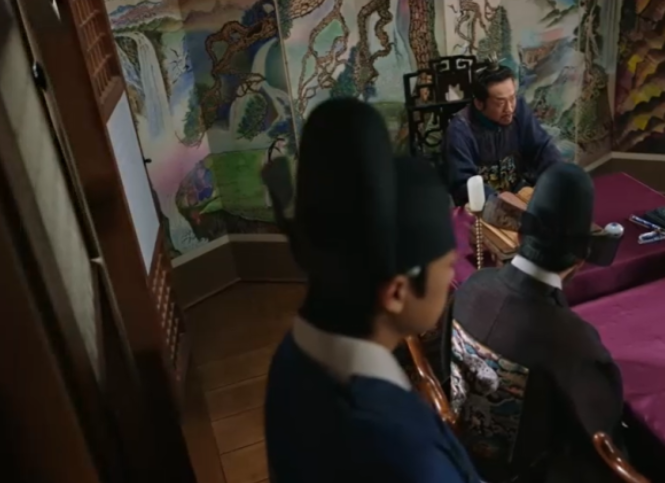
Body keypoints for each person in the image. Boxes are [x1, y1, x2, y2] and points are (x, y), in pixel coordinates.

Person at [262, 98, 480, 483]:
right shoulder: (403, 452)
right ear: (396, 292)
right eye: (447, 267)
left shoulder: (294, 354)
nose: (450, 279)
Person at [443, 163, 625, 483]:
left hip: (457, 455)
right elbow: (600, 440)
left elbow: (445, 367)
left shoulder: (471, 287)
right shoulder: (575, 345)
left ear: (519, 234)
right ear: (581, 259)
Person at [445, 64, 564, 207]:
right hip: (483, 207)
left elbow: (543, 148)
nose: (509, 109)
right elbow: (463, 183)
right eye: (500, 103)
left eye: (512, 98)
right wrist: (503, 204)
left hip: (520, 194)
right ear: (479, 103)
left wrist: (559, 178)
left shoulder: (519, 110)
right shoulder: (460, 130)